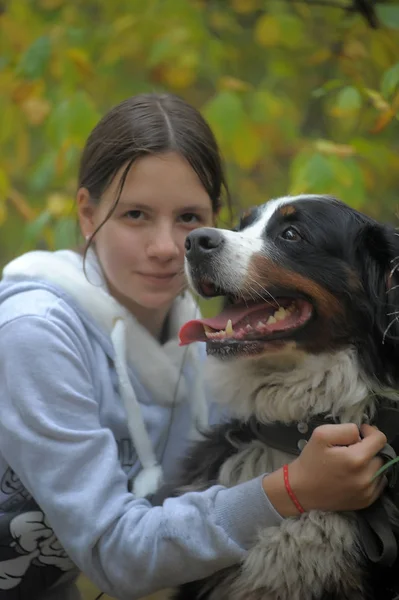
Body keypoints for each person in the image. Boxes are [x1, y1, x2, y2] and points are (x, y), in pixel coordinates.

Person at [0, 93, 387, 600]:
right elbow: (118, 557)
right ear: (88, 214)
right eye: (135, 214)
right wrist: (293, 489)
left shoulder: (209, 342)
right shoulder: (32, 332)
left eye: (188, 218)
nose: (165, 248)